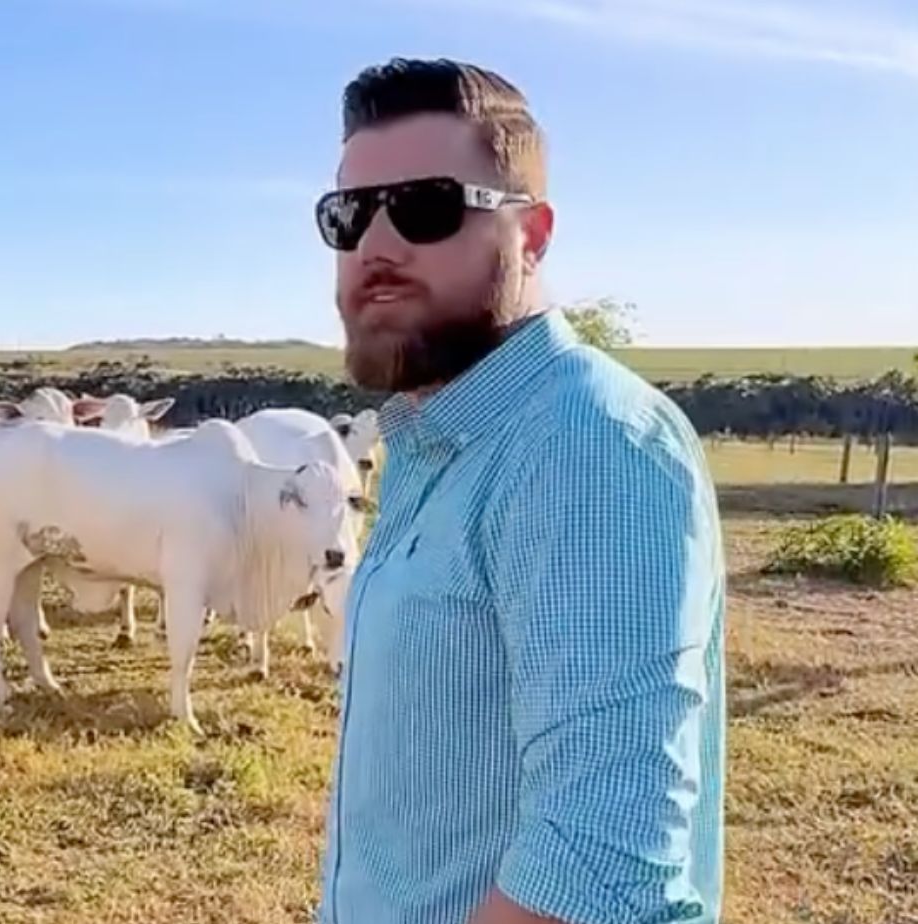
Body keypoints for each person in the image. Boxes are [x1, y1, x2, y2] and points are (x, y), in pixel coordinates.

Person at [316, 58, 726, 924]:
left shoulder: (586, 443)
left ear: (531, 235)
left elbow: (598, 865)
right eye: (349, 215)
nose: (376, 246)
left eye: (425, 206)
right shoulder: (438, 442)